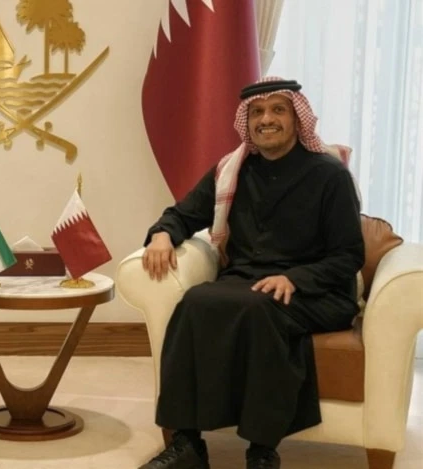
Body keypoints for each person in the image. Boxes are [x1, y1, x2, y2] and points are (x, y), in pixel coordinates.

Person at [138, 77, 365, 469]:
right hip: (247, 282)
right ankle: (187, 444)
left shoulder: (330, 175)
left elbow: (349, 255)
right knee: (193, 302)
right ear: (247, 121)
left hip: (317, 290)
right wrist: (161, 235)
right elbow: (183, 213)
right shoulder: (233, 170)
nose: (266, 119)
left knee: (260, 309)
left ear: (297, 118)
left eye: (278, 110)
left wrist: (294, 279)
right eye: (257, 112)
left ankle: (262, 450)